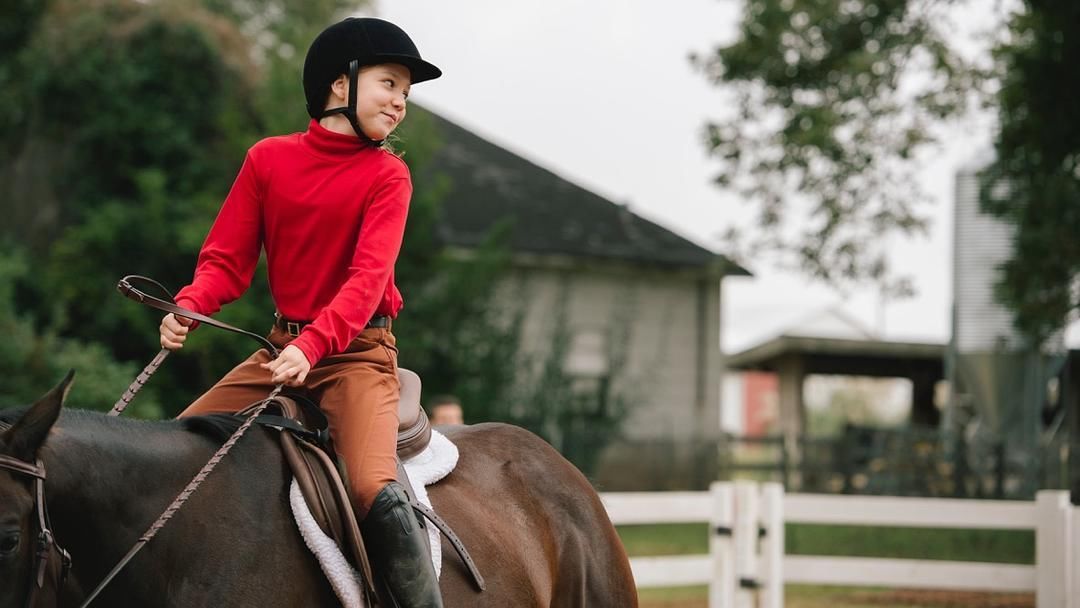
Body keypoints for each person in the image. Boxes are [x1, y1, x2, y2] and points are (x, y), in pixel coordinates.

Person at [158, 17, 444, 607]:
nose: (400, 103)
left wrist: (312, 346)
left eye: (406, 93)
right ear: (342, 84)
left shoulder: (389, 175)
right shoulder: (268, 160)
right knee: (176, 455)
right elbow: (226, 262)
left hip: (356, 356)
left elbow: (367, 283)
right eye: (390, 84)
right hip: (279, 352)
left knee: (373, 488)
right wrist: (188, 306)